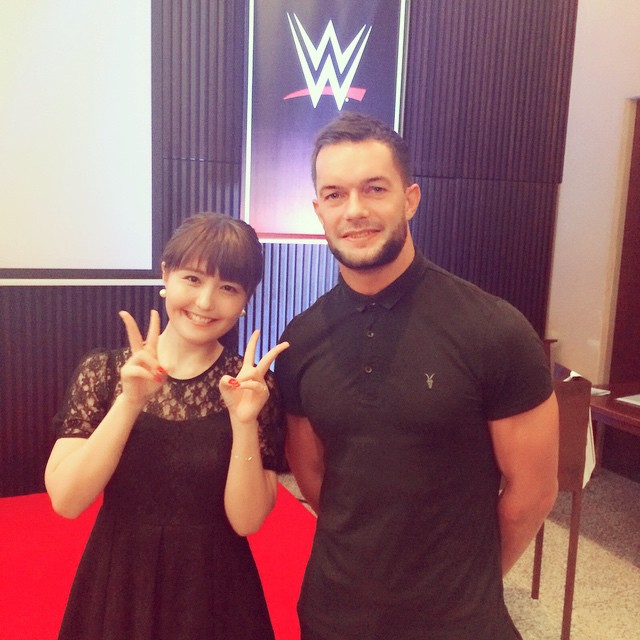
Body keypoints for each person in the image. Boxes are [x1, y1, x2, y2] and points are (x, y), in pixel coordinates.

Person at [274, 112, 559, 640]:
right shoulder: (301, 340)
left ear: (410, 199)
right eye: (335, 195)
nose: (354, 210)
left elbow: (534, 490)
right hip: (332, 616)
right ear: (319, 210)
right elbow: (314, 478)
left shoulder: (493, 329)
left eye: (374, 189)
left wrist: (469, 587)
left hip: (459, 624)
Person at [45, 212, 289, 639]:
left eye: (228, 288)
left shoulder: (252, 387)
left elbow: (247, 521)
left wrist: (244, 422)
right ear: (165, 274)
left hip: (216, 591)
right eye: (192, 279)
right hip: (119, 581)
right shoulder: (104, 371)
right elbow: (67, 500)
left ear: (245, 299)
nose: (205, 302)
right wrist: (130, 402)